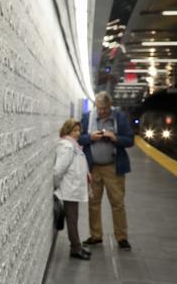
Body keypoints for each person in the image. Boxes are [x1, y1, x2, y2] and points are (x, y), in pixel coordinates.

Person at [79, 91, 134, 250]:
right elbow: (79, 138)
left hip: (113, 167)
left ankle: (122, 237)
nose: (101, 111)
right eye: (99, 108)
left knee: (117, 203)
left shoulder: (120, 118)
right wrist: (90, 138)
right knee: (93, 203)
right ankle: (96, 236)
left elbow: (130, 140)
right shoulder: (87, 117)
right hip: (93, 168)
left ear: (110, 106)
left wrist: (115, 138)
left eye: (104, 108)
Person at [54, 119, 91, 260]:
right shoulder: (67, 147)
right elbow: (58, 170)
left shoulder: (73, 145)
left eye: (78, 130)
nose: (77, 133)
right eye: (74, 130)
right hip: (70, 189)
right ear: (67, 131)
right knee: (72, 220)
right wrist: (56, 185)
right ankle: (75, 248)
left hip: (73, 189)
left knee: (73, 219)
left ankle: (77, 246)